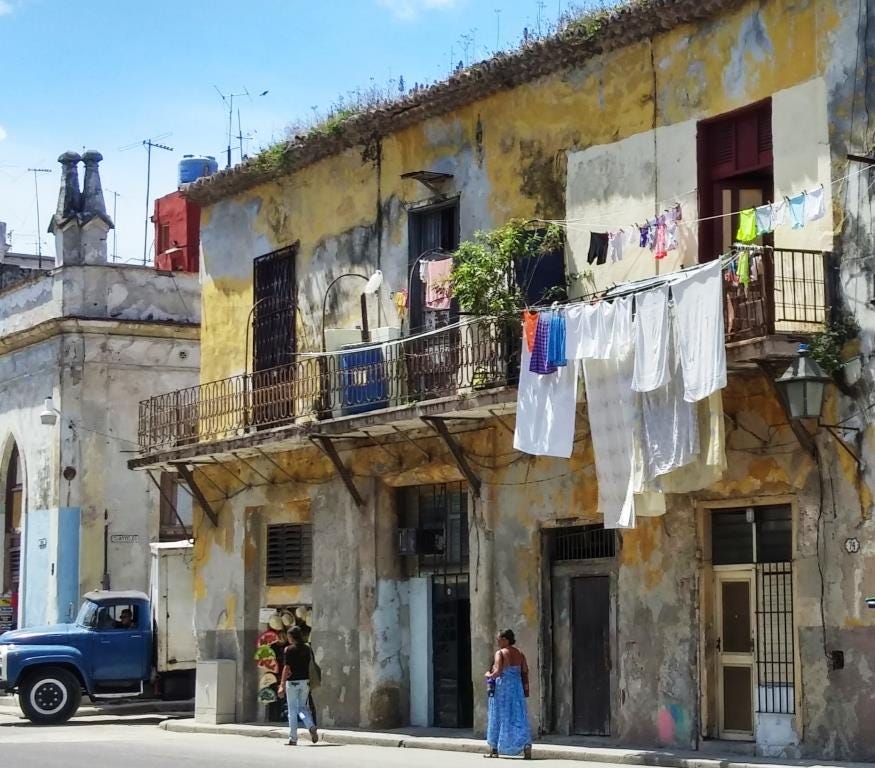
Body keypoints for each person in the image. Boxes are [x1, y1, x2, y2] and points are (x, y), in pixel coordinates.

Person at [485, 629, 532, 760]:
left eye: (499, 638)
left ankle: (494, 748)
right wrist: (526, 689)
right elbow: (525, 671)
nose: (497, 641)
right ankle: (526, 747)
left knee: (498, 716)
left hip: (503, 689)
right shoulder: (520, 654)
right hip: (517, 690)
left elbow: (498, 672)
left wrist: (488, 675)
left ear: (506, 640)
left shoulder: (499, 653)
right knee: (519, 717)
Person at [278, 625, 318, 746]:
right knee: (302, 707)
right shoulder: (307, 648)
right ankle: (310, 725)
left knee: (292, 710)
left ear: (291, 637)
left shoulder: (288, 650)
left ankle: (293, 738)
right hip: (305, 682)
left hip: (293, 683)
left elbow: (286, 668)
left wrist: (281, 685)